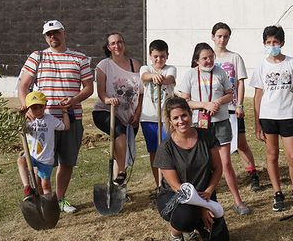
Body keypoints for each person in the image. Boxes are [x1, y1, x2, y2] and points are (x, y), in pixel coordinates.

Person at [18, 20, 93, 213]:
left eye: (56, 32)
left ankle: (59, 199)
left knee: (67, 161)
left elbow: (88, 88)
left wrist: (74, 99)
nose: (53, 37)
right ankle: (41, 198)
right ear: (45, 37)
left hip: (71, 118)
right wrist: (27, 108)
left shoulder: (80, 58)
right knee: (40, 161)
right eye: (49, 34)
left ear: (63, 33)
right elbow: (23, 86)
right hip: (43, 120)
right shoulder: (37, 56)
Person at [177, 42, 251, 215]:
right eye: (205, 58)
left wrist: (218, 102)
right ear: (197, 60)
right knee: (201, 164)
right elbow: (185, 102)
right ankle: (199, 203)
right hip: (200, 125)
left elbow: (230, 94)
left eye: (211, 57)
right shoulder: (190, 74)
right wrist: (205, 104)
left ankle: (238, 202)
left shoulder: (220, 72)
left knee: (225, 163)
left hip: (221, 122)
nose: (209, 61)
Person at [155, 97, 229, 241]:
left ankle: (196, 229)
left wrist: (209, 192)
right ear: (170, 121)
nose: (181, 121)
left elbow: (218, 168)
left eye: (184, 115)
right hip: (176, 197)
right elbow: (176, 186)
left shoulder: (206, 136)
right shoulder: (165, 148)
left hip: (204, 194)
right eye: (175, 118)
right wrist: (201, 208)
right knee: (186, 216)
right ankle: (176, 234)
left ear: (190, 114)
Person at [251, 25, 293, 212]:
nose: (272, 45)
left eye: (275, 42)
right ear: (264, 43)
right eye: (268, 42)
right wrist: (257, 123)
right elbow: (258, 95)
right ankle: (277, 192)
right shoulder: (261, 66)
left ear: (282, 43)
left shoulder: (292, 63)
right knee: (272, 155)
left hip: (288, 115)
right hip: (268, 116)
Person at [211, 22, 264, 191]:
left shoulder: (235, 57)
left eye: (226, 36)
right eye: (219, 36)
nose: (222, 39)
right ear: (213, 37)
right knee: (213, 145)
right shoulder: (208, 57)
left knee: (240, 143)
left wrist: (239, 104)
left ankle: (253, 174)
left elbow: (240, 82)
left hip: (232, 107)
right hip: (213, 109)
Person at [92, 32, 143, 186]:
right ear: (108, 47)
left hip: (130, 115)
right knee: (119, 134)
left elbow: (141, 93)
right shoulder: (104, 65)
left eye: (119, 42)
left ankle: (118, 187)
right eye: (113, 43)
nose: (117, 46)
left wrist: (138, 113)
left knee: (123, 150)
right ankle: (121, 171)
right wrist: (108, 100)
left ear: (124, 44)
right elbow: (101, 92)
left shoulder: (135, 65)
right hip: (106, 111)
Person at [17, 90, 69, 198]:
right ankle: (27, 187)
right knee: (21, 160)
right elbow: (20, 130)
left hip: (46, 159)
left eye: (40, 107)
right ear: (28, 109)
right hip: (32, 157)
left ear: (45, 106)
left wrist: (64, 111)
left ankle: (48, 203)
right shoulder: (27, 121)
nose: (38, 110)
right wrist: (21, 116)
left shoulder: (50, 119)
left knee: (45, 185)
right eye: (34, 108)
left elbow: (65, 126)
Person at [140, 39, 177, 189]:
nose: (159, 59)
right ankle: (159, 185)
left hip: (165, 119)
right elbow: (144, 76)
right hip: (149, 119)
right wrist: (152, 76)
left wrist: (161, 78)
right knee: (154, 152)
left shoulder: (170, 69)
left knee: (168, 150)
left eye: (162, 56)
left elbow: (170, 79)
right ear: (150, 56)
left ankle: (170, 184)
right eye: (155, 56)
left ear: (167, 56)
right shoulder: (145, 68)